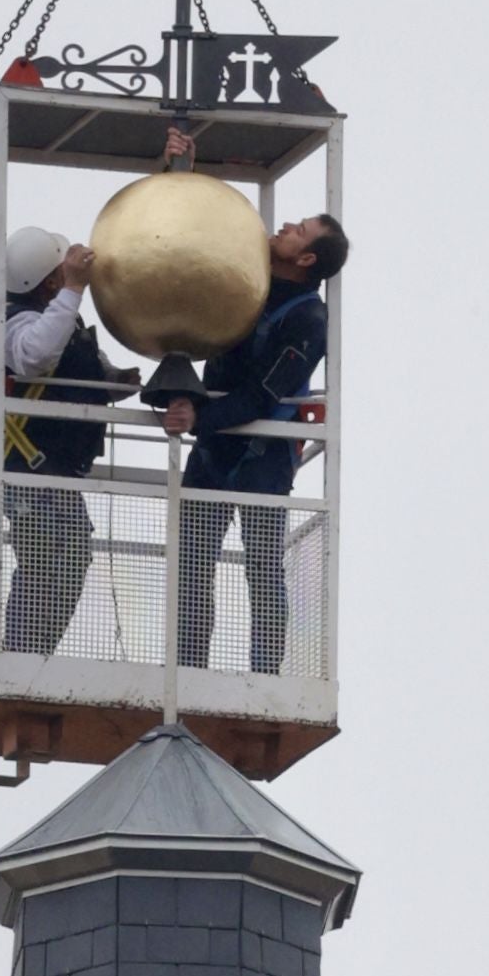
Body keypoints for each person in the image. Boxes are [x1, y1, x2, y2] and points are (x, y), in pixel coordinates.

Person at [154, 128, 350, 674]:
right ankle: (188, 672)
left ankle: (264, 676)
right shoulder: (248, 276)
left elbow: (266, 394)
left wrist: (199, 416)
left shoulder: (308, 318)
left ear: (307, 259)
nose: (285, 226)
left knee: (262, 569)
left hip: (261, 457)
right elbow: (191, 244)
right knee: (191, 565)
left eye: (298, 231)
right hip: (215, 444)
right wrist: (181, 173)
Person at [0, 226, 139, 655]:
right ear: (49, 281)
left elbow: (82, 369)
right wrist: (74, 289)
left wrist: (117, 381)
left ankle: (32, 651)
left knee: (68, 557)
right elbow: (35, 355)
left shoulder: (62, 320)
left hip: (55, 472)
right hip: (26, 471)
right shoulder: (14, 325)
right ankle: (22, 654)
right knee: (44, 560)